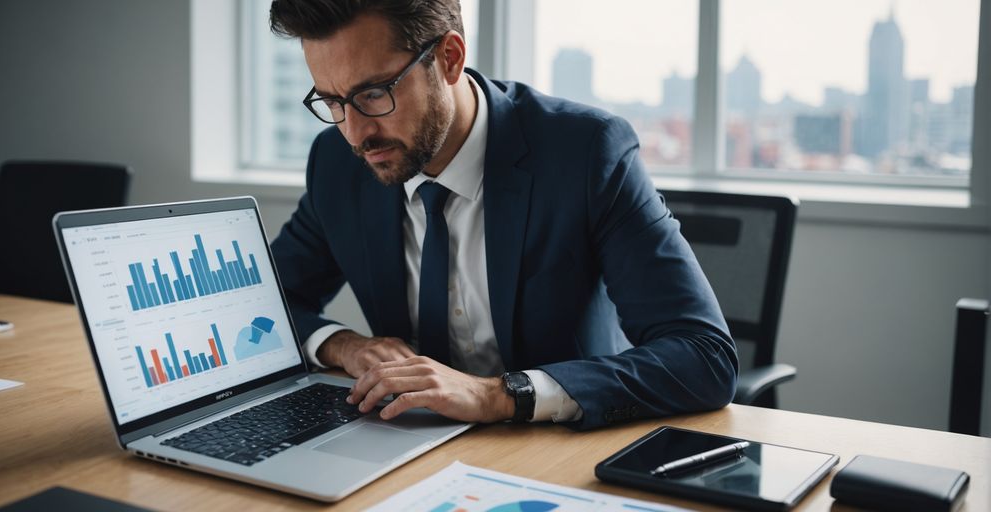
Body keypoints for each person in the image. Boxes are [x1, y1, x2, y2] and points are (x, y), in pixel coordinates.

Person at [268, 0, 738, 431]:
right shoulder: (338, 165)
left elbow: (703, 355)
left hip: (556, 448)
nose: (355, 133)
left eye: (373, 94)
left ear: (449, 58)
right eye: (332, 101)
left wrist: (496, 395)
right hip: (406, 443)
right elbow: (267, 302)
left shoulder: (585, 153)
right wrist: (343, 344)